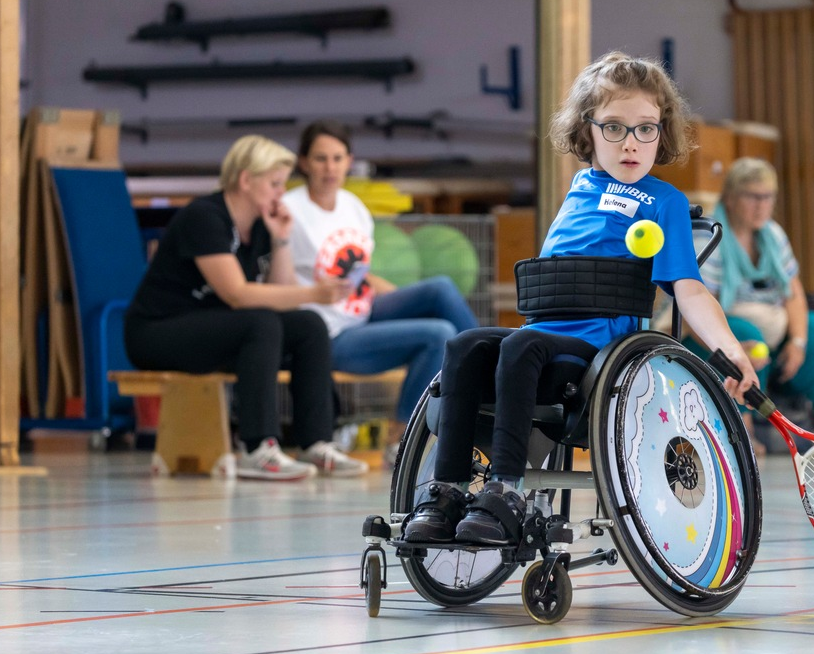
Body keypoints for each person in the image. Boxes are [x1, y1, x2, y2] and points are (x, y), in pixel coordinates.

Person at [402, 52, 759, 546]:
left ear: (663, 132)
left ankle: (506, 490)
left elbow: (689, 288)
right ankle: (445, 492)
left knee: (518, 348)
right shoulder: (579, 187)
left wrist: (731, 348)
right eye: (614, 128)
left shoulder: (664, 203)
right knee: (465, 344)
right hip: (543, 334)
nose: (631, 143)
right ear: (587, 131)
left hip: (597, 352)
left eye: (646, 129)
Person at [124, 135, 369, 480]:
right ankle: (258, 447)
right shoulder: (204, 217)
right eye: (274, 184)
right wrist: (313, 292)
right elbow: (237, 295)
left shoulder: (260, 225)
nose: (280, 193)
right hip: (157, 331)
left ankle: (316, 443)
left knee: (308, 324)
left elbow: (280, 294)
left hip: (213, 328)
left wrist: (282, 239)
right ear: (245, 180)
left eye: (283, 184)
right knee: (261, 323)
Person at [283, 121, 479, 462]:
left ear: (349, 161)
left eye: (337, 158)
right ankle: (402, 438)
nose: (330, 168)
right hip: (330, 333)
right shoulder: (289, 209)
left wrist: (404, 297)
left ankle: (488, 367)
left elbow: (360, 274)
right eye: (320, 159)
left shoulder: (352, 206)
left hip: (363, 308)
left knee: (440, 288)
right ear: (303, 162)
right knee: (438, 334)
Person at [683, 157, 814, 452]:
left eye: (768, 197)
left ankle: (807, 417)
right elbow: (698, 305)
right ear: (730, 198)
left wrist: (798, 342)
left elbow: (793, 293)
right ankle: (742, 424)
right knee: (750, 337)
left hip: (770, 323)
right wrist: (731, 345)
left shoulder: (773, 234)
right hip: (715, 328)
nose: (761, 205)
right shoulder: (708, 237)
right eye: (752, 197)